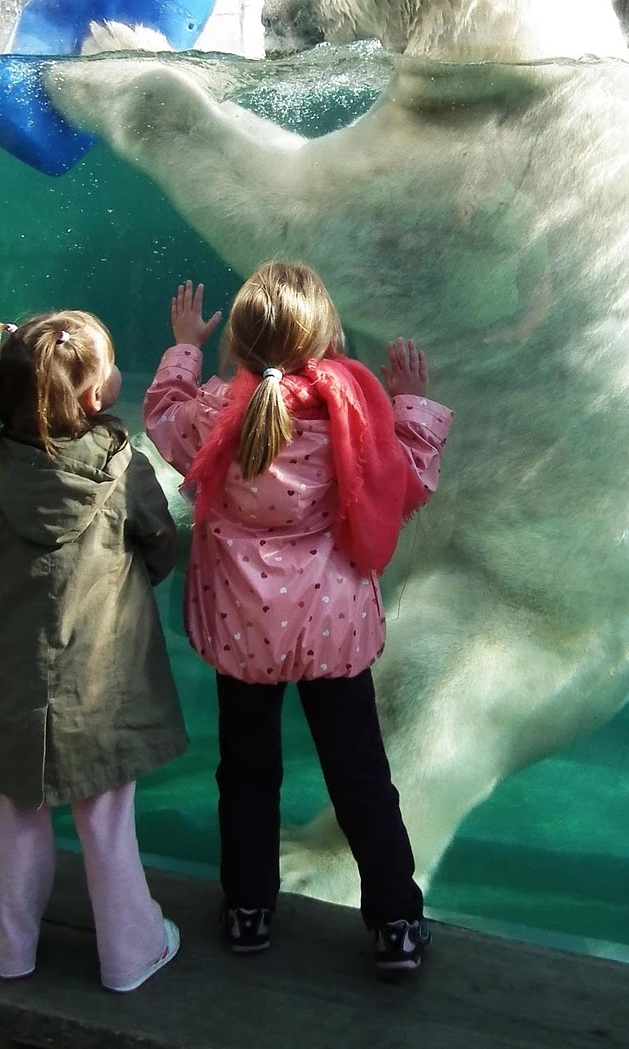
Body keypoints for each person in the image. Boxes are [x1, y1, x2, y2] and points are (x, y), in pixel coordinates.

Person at [144, 262, 453, 972]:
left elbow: (163, 416)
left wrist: (185, 346)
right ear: (326, 336)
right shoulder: (356, 416)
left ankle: (249, 910)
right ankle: (397, 922)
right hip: (333, 631)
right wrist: (408, 401)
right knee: (360, 775)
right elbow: (407, 486)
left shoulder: (212, 412)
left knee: (247, 773)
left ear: (240, 344)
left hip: (242, 633)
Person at [0, 310, 187, 992]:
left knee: (15, 810)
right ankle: (129, 952)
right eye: (111, 363)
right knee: (107, 821)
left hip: (14, 684)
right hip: (103, 688)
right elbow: (161, 546)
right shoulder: (124, 471)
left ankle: (8, 946)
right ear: (95, 397)